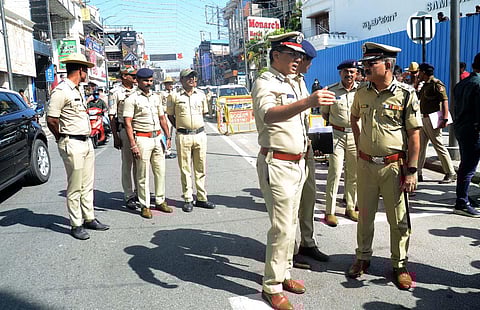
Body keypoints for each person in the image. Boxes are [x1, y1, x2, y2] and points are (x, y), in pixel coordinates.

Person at [252, 31, 336, 310]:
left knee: (291, 226)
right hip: (277, 163)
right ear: (276, 55)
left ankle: (285, 272)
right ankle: (272, 285)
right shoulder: (265, 81)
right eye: (293, 55)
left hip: (299, 161)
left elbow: (300, 120)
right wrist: (308, 101)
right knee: (282, 228)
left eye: (301, 56)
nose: (298, 60)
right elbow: (269, 114)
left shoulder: (296, 81)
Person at [348, 42, 422, 291]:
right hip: (367, 165)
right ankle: (362, 258)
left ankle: (399, 265)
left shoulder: (406, 94)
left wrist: (411, 171)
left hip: (393, 167)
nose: (365, 67)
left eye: (371, 63)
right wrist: (360, 147)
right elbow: (354, 118)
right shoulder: (362, 92)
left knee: (398, 220)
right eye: (365, 63)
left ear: (387, 65)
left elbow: (414, 136)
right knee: (365, 216)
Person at [46, 53, 110, 240]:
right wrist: (62, 138)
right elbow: (51, 119)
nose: (87, 74)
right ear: (81, 70)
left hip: (86, 141)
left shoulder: (77, 90)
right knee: (75, 186)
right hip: (71, 142)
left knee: (87, 184)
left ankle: (89, 217)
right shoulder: (62, 91)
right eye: (87, 71)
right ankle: (76, 223)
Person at [292, 39, 329, 270]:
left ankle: (307, 242)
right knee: (291, 205)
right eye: (309, 61)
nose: (309, 65)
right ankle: (289, 251)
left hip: (306, 149)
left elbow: (306, 118)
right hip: (288, 154)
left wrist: (317, 145)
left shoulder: (302, 83)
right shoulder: (281, 83)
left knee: (309, 199)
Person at [123, 68, 172, 219]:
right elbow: (128, 123)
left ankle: (160, 200)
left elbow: (162, 118)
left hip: (157, 137)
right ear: (137, 81)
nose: (149, 83)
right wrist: (133, 144)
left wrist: (168, 136)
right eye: (145, 81)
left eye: (151, 80)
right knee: (142, 174)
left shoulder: (156, 97)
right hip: (142, 139)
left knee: (160, 171)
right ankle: (144, 205)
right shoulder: (131, 99)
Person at [167, 69, 216, 213]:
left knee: (200, 168)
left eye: (193, 77)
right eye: (188, 77)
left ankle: (201, 197)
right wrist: (180, 128)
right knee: (185, 168)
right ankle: (188, 198)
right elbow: (170, 115)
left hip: (200, 134)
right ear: (181, 80)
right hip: (183, 136)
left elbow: (204, 113)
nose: (191, 79)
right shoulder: (174, 96)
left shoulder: (200, 95)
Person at [321, 59, 360, 227]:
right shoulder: (331, 91)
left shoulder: (362, 91)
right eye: (346, 72)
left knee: (354, 174)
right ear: (340, 73)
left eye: (352, 72)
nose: (349, 75)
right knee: (335, 172)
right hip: (336, 135)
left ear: (357, 74)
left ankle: (351, 207)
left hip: (355, 136)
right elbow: (325, 114)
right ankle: (329, 211)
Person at [417, 63, 456, 183]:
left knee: (438, 145)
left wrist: (444, 119)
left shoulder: (436, 84)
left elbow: (444, 101)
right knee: (421, 147)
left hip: (432, 119)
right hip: (423, 118)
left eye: (420, 72)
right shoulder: (425, 85)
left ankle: (450, 172)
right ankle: (418, 173)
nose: (418, 74)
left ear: (424, 72)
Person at [452, 53, 480, 218]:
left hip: (462, 129)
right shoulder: (478, 84)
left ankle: (463, 198)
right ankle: (461, 202)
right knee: (469, 168)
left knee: (466, 166)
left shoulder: (462, 84)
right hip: (474, 131)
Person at [108, 66, 138, 210]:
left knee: (140, 164)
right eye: (132, 75)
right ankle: (129, 195)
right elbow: (112, 116)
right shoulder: (115, 92)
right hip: (125, 130)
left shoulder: (138, 90)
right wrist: (115, 136)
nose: (135, 77)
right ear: (124, 76)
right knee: (128, 164)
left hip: (139, 130)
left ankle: (140, 192)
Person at [159, 76, 177, 159]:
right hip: (165, 114)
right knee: (167, 132)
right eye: (168, 83)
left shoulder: (174, 93)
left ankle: (168, 149)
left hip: (173, 114)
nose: (170, 85)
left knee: (172, 132)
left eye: (171, 83)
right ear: (165, 85)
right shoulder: (162, 94)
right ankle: (166, 151)